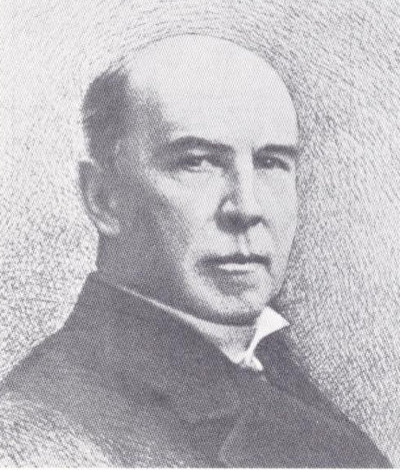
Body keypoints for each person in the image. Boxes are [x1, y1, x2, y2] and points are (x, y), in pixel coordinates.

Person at [0, 35, 391, 467]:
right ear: (104, 199)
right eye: (197, 161)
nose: (247, 208)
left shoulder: (274, 371)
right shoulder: (40, 429)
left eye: (270, 162)